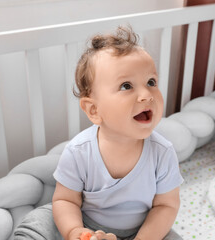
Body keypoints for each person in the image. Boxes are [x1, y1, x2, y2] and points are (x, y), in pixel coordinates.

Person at [52, 26, 184, 240]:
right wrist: (75, 231)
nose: (146, 95)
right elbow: (66, 201)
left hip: (143, 231)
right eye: (126, 86)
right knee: (41, 221)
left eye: (151, 82)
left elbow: (166, 206)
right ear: (94, 110)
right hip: (88, 228)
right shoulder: (79, 152)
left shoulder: (163, 153)